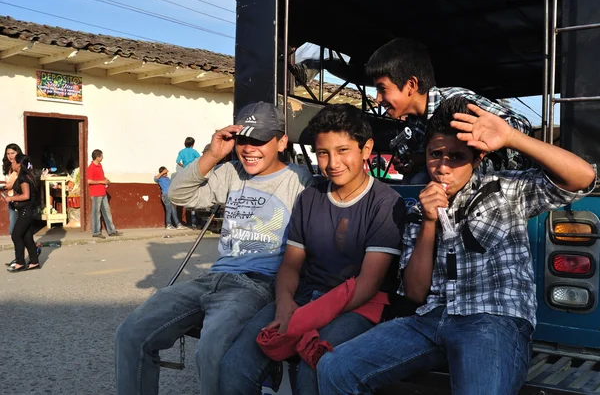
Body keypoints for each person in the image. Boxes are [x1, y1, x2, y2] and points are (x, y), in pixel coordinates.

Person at [317, 97, 596, 395]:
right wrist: (428, 221)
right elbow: (415, 292)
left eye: (456, 156)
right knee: (334, 368)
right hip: (430, 320)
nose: (443, 167)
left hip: (493, 319)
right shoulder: (418, 208)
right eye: (435, 154)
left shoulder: (506, 189)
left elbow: (582, 177)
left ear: (477, 160)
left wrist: (513, 138)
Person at [114, 101, 314, 395]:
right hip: (213, 277)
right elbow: (179, 195)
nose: (248, 148)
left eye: (258, 140)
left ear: (282, 141)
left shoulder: (298, 180)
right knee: (130, 334)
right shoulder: (231, 172)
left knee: (211, 352)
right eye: (243, 140)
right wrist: (212, 155)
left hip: (257, 284)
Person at [219, 104, 405, 395]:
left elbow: (368, 284)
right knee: (235, 365)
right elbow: (291, 265)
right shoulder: (310, 198)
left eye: (343, 150)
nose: (332, 162)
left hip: (356, 306)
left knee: (313, 364)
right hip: (306, 297)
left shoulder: (385, 202)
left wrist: (307, 319)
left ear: (366, 149)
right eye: (323, 153)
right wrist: (283, 305)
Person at [366, 38, 532, 183]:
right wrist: (416, 160)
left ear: (411, 85)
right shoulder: (415, 122)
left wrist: (488, 136)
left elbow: (521, 124)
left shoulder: (456, 100)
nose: (378, 99)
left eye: (382, 89)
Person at [3, 143, 42, 267]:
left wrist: (11, 198)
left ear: (19, 163)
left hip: (26, 210)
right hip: (23, 209)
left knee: (16, 235)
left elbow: (26, 196)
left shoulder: (23, 178)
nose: (11, 161)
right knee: (26, 236)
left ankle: (20, 262)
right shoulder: (24, 176)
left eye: (14, 159)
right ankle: (34, 261)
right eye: (8, 154)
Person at [87, 149, 122, 239]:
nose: (102, 157)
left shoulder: (100, 165)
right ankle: (96, 232)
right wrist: (102, 181)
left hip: (102, 192)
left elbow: (101, 177)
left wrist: (106, 180)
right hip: (95, 194)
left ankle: (111, 231)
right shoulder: (91, 167)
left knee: (107, 212)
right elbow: (89, 181)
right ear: (97, 157)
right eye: (101, 156)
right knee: (96, 213)